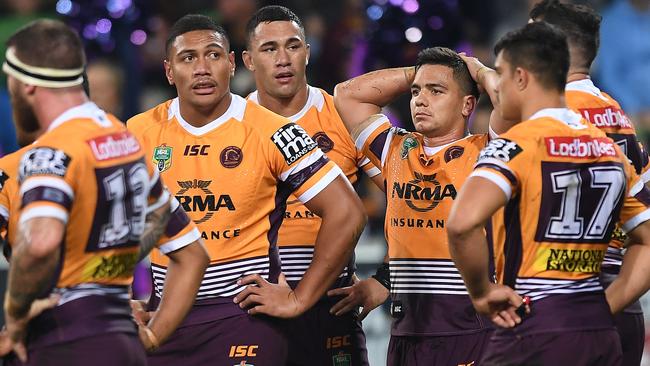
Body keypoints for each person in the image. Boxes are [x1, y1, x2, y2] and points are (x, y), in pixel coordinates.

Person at [127, 14, 366, 366]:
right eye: (188, 58)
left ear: (232, 62)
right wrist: (119, 298)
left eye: (213, 55)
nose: (202, 68)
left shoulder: (276, 131)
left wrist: (299, 299)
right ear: (168, 71)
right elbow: (110, 225)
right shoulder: (139, 131)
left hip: (243, 318)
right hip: (167, 319)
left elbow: (347, 212)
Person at [0, 19, 207, 365]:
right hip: (121, 342)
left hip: (62, 340)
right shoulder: (127, 144)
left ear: (27, 85)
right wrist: (153, 335)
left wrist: (16, 316)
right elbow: (192, 252)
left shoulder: (49, 154)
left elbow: (40, 242)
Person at [447, 21, 650, 365]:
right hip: (598, 330)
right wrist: (604, 305)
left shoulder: (515, 146)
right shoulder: (611, 149)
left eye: (501, 74)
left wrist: (481, 292)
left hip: (532, 324)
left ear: (521, 78)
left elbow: (461, 223)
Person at [333, 46, 494, 366]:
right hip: (407, 333)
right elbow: (348, 95)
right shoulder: (396, 148)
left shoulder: (489, 152)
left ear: (467, 105)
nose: (421, 99)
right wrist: (421, 72)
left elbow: (515, 99)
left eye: (437, 91)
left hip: (470, 332)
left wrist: (474, 70)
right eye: (417, 91)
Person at [242, 6, 381, 365]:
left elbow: (411, 195)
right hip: (253, 306)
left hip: (331, 309)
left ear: (308, 51)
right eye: (269, 49)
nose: (283, 59)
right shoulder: (235, 127)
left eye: (293, 46)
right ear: (247, 60)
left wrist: (385, 279)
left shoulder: (342, 116)